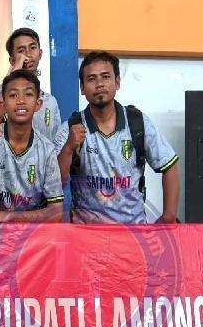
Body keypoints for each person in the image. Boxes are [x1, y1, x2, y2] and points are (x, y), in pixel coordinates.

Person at [54, 51, 179, 224]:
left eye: (106, 77)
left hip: (133, 232)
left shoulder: (138, 123)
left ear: (117, 82)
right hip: (85, 234)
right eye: (91, 79)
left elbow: (170, 165)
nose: (99, 84)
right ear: (82, 88)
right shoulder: (70, 128)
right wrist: (68, 148)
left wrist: (169, 216)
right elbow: (55, 184)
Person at [0, 70, 64, 222]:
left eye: (28, 94)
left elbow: (56, 212)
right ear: (3, 104)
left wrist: (8, 216)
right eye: (13, 95)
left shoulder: (47, 149)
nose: (21, 100)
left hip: (30, 231)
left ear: (38, 104)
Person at [0, 27, 61, 141]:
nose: (28, 54)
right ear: (12, 60)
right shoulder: (2, 91)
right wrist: (16, 67)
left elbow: (56, 143)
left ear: (40, 53)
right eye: (21, 51)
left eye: (33, 48)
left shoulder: (50, 102)